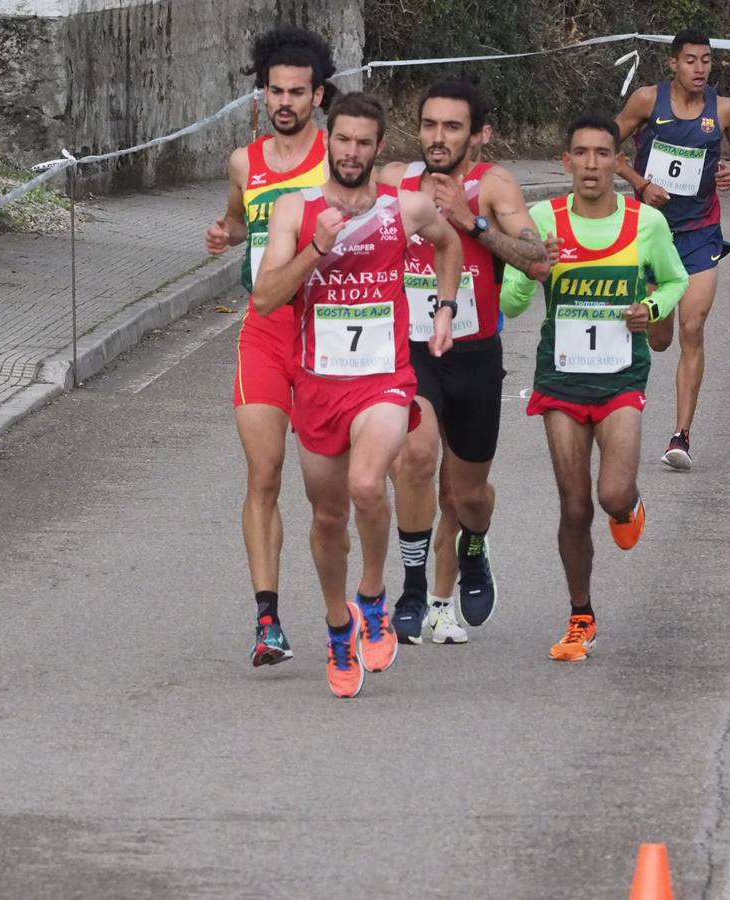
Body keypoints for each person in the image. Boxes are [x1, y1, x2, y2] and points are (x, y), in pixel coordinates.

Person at [253, 92, 464, 698]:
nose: (351, 152)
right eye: (342, 140)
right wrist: (318, 247)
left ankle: (372, 595)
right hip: (318, 383)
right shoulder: (297, 210)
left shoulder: (406, 207)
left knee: (368, 484)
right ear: (329, 141)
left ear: (378, 147)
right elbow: (266, 298)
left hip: (384, 379)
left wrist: (445, 309)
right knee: (326, 516)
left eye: (363, 143)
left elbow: (448, 244)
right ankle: (338, 624)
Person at [500, 113, 688, 662]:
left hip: (620, 379)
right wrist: (532, 272)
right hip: (560, 379)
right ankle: (581, 615)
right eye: (580, 153)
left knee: (610, 496)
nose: (590, 164)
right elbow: (511, 303)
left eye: (602, 154)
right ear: (566, 161)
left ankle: (630, 507)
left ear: (616, 162)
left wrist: (650, 307)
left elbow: (675, 280)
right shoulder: (543, 217)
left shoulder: (645, 223)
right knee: (575, 505)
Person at [375, 79, 554, 644]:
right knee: (416, 456)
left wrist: (472, 223)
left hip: (475, 353)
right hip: (411, 352)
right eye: (429, 124)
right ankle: (410, 583)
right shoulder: (394, 182)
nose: (437, 137)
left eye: (452, 127)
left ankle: (474, 546)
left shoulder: (492, 185)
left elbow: (539, 263)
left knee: (468, 495)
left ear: (480, 135)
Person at [204, 26, 334, 668]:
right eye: (276, 91)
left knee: (327, 489)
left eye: (297, 93)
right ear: (264, 94)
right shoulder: (243, 162)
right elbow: (236, 217)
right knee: (264, 472)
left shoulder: (337, 159)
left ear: (318, 97)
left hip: (328, 336)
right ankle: (268, 619)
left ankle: (355, 602)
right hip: (263, 333)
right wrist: (226, 235)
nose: (285, 102)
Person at [615, 28, 730, 470]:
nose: (700, 68)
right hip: (652, 234)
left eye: (707, 60)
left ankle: (681, 435)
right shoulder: (645, 101)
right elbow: (606, 148)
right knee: (659, 339)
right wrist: (640, 184)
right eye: (691, 60)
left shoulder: (725, 109)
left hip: (700, 232)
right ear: (673, 64)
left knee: (693, 327)